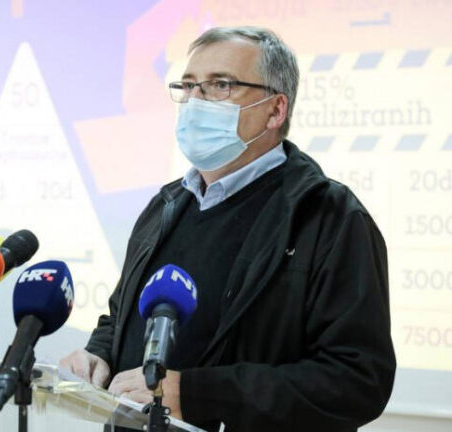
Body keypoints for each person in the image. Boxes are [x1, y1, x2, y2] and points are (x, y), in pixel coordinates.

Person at [60, 26, 396, 432]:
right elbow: (124, 317)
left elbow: (357, 380)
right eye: (188, 86)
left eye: (220, 85)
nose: (196, 101)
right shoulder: (166, 205)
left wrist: (198, 395)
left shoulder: (330, 217)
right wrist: (100, 355)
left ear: (275, 110)